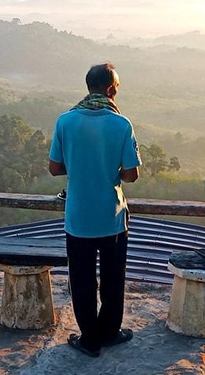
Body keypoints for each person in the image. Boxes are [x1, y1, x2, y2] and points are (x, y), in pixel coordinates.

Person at [49, 63, 141, 358]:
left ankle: (89, 339)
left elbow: (54, 168)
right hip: (111, 217)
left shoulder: (65, 121)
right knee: (113, 277)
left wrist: (78, 166)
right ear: (111, 89)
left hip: (78, 217)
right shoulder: (122, 124)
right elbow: (131, 175)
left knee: (82, 278)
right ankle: (110, 332)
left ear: (88, 87)